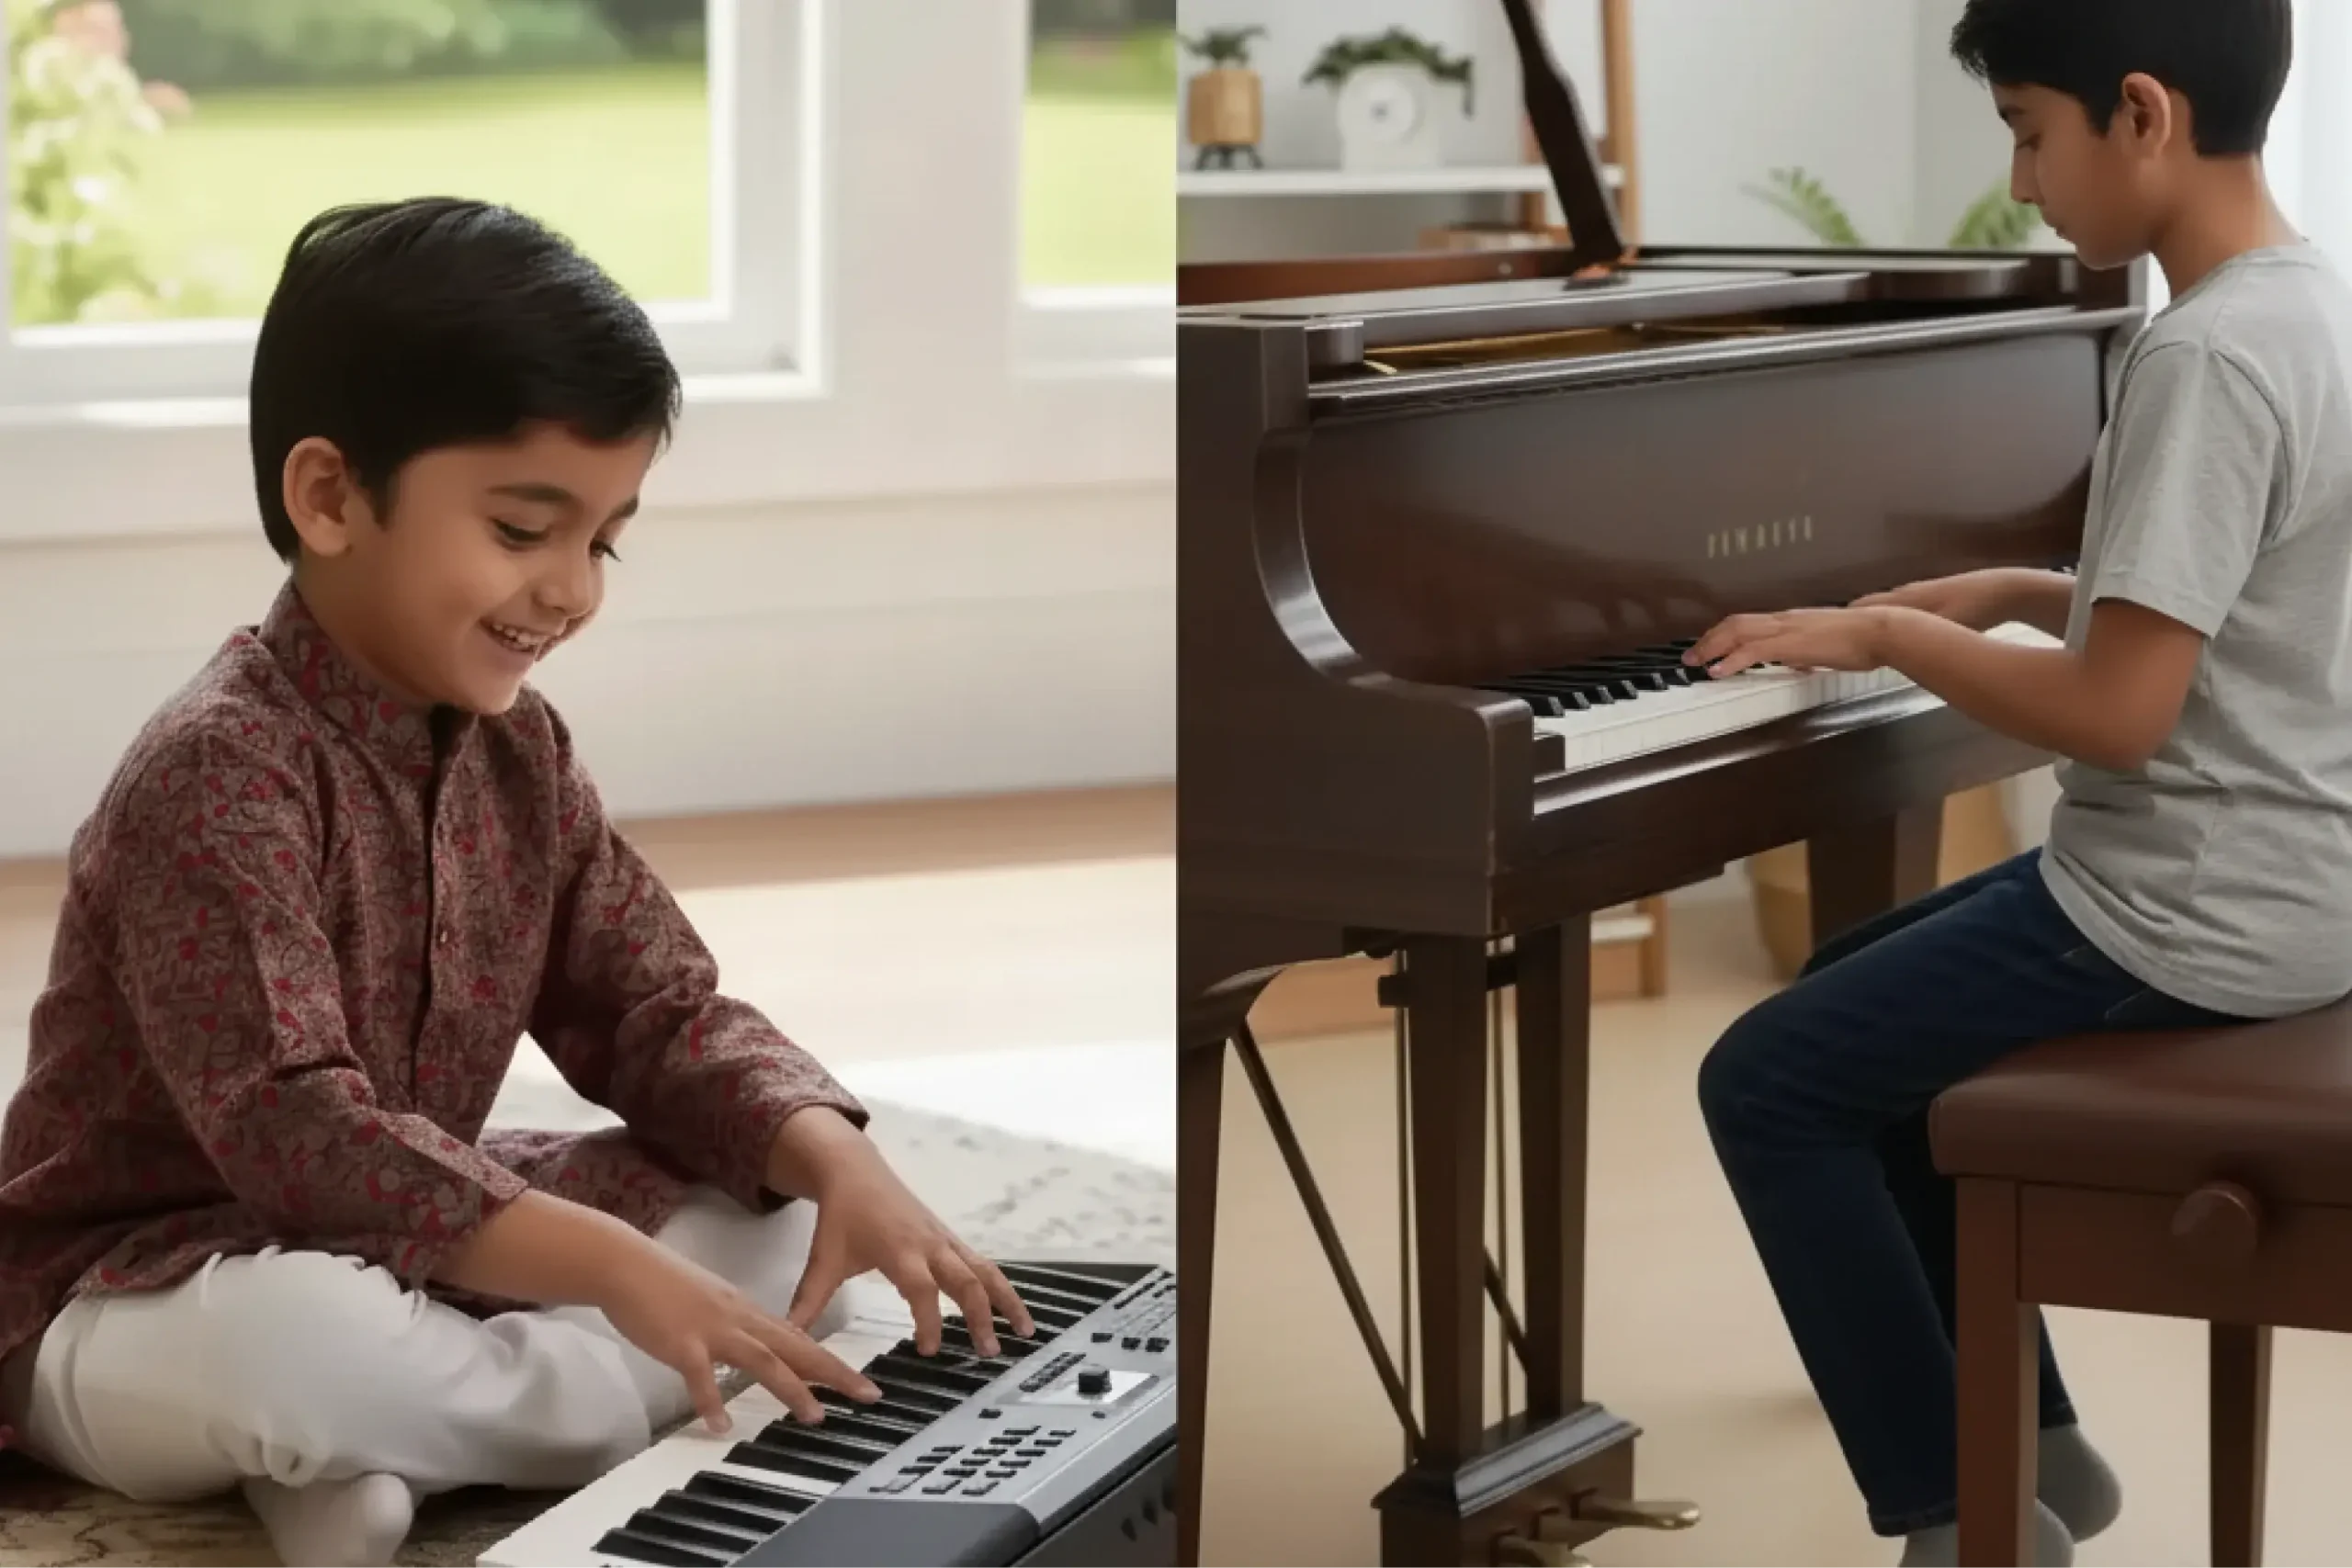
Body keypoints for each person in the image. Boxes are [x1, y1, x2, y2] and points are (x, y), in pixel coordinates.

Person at [0, 197, 1035, 1568]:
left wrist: (837, 1152)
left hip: (411, 1246)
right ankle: (445, 1420)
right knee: (312, 1352)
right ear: (328, 497)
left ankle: (386, 1458)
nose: (570, 590)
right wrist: (614, 1276)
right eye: (522, 527)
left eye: (602, 540)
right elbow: (300, 1135)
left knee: (786, 1228)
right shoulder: (214, 773)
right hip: (133, 1292)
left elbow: (658, 1009)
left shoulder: (521, 754)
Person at [1682, 2, 2332, 1565]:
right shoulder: (2308, 307)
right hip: (2299, 876)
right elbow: (2245, 614)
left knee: (1764, 1082)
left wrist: (1898, 629)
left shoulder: (2204, 357)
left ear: (2145, 115)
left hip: (2189, 903)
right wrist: (2021, 588)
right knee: (1854, 996)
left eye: (2033, 134)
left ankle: (1962, 1517)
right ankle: (2031, 1440)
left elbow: (2118, 715)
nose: (2029, 184)